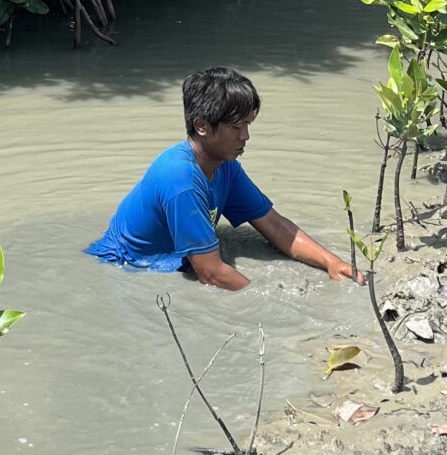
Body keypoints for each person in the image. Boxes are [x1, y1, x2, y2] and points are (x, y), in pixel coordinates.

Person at [86, 65, 360, 290]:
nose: (246, 136)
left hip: (172, 259)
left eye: (248, 125)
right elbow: (211, 273)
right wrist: (268, 304)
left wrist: (331, 262)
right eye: (236, 127)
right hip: (128, 267)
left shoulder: (225, 165)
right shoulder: (181, 178)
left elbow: (274, 225)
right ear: (202, 126)